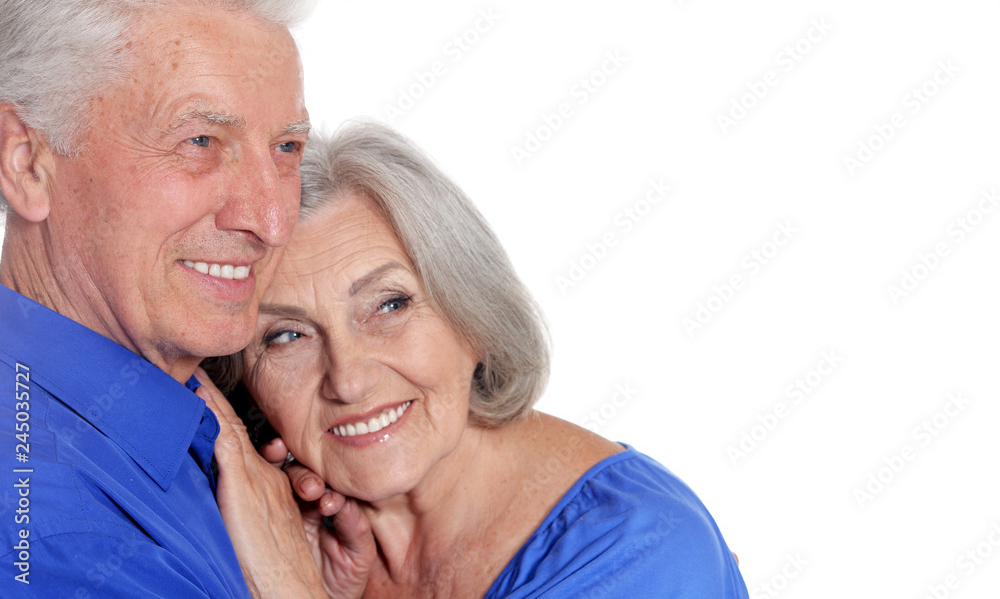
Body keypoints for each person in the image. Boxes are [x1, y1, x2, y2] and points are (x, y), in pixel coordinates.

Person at [211, 120, 751, 597]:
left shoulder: (639, 553)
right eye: (285, 336)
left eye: (389, 305)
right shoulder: (281, 538)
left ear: (472, 314)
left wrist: (288, 588)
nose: (348, 380)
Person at [0, 0, 365, 595]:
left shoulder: (191, 408)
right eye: (200, 141)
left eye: (286, 147)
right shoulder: (63, 541)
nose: (272, 220)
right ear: (26, 162)